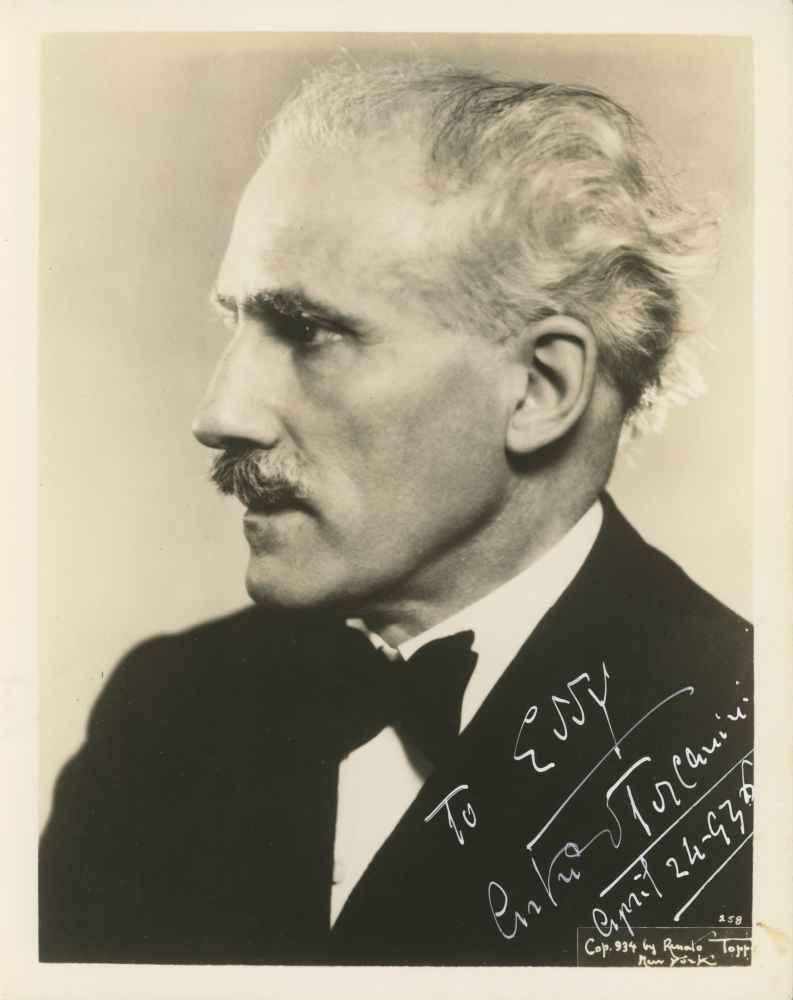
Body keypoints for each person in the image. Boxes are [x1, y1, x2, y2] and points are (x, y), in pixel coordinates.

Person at [39, 61, 753, 966]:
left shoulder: (749, 741)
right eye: (235, 324)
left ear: (540, 388)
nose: (219, 414)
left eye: (307, 332)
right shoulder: (163, 713)